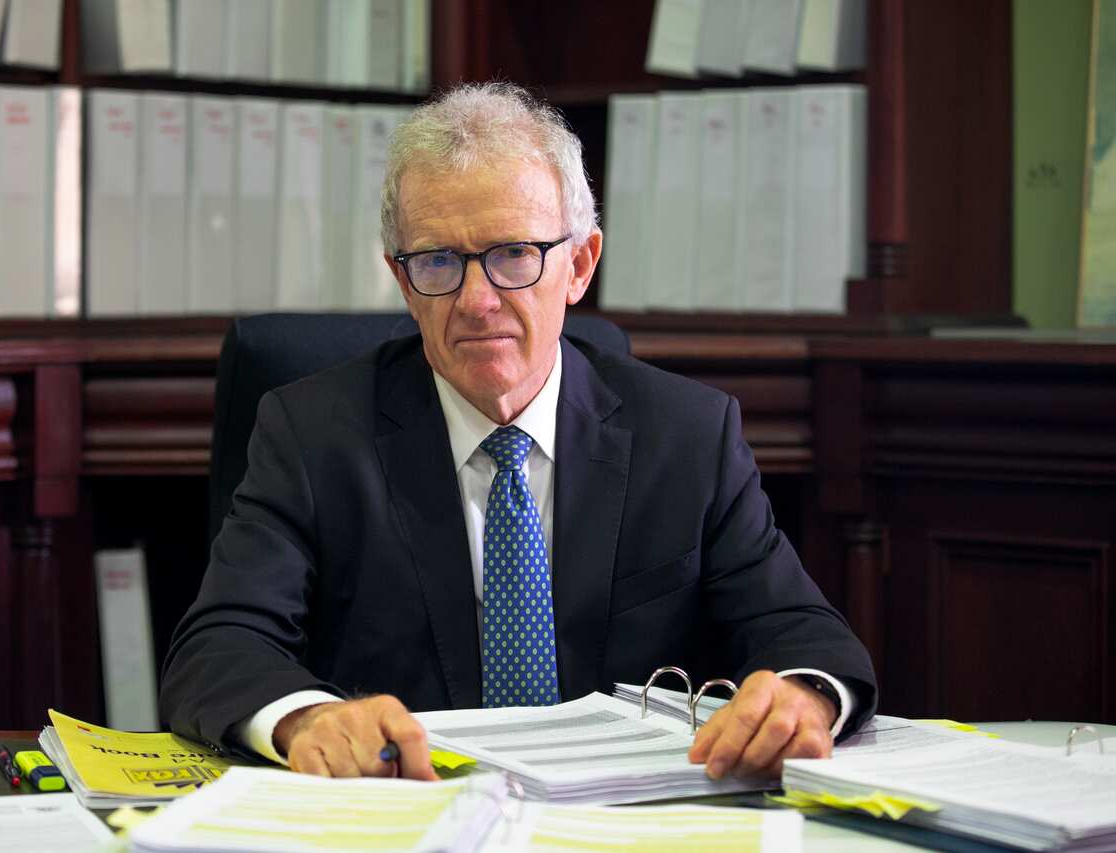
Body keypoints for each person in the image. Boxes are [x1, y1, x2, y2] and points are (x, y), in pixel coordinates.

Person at [160, 82, 877, 783]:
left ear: (580, 264)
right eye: (438, 260)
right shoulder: (313, 434)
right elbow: (219, 645)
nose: (477, 300)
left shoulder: (688, 436)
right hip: (410, 819)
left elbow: (808, 639)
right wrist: (308, 719)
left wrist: (801, 696)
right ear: (402, 281)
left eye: (512, 254)